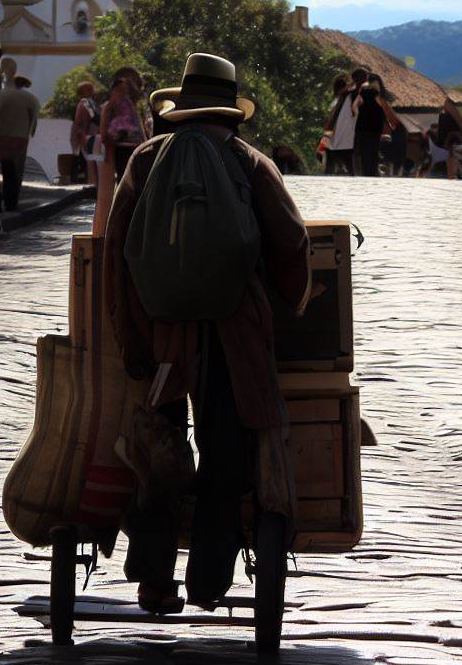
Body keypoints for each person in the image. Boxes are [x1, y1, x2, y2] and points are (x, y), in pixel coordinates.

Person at [104, 52, 311, 614]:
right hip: (232, 336)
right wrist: (287, 304)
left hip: (163, 332)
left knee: (161, 450)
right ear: (232, 111)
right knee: (226, 451)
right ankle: (208, 579)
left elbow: (116, 251)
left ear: (180, 107)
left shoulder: (145, 161)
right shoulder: (250, 162)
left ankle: (151, 576)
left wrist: (132, 337)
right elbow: (292, 243)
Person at [93, 68, 147, 236]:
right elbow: (107, 113)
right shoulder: (116, 101)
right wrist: (104, 135)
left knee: (129, 178)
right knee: (123, 178)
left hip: (131, 142)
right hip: (121, 143)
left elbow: (138, 122)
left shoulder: (131, 102)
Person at [0, 58, 40, 212]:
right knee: (17, 170)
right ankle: (12, 200)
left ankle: (6, 200)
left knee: (5, 169)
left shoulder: (2, 96)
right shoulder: (31, 99)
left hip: (3, 137)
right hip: (21, 138)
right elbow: (33, 121)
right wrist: (28, 133)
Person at [353, 73, 398, 177]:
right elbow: (388, 113)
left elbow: (354, 106)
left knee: (365, 155)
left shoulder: (363, 94)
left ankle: (367, 176)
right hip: (372, 129)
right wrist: (392, 124)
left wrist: (359, 114)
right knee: (371, 154)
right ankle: (371, 176)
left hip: (363, 128)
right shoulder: (376, 96)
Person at [322, 75, 354, 175]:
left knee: (332, 164)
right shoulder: (344, 99)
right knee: (347, 164)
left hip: (338, 136)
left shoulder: (342, 99)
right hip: (342, 137)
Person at [70, 81, 99, 185]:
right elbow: (80, 122)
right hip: (86, 136)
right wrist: (82, 137)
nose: (93, 91)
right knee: (87, 162)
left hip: (90, 136)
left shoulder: (90, 103)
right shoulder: (84, 103)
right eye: (89, 89)